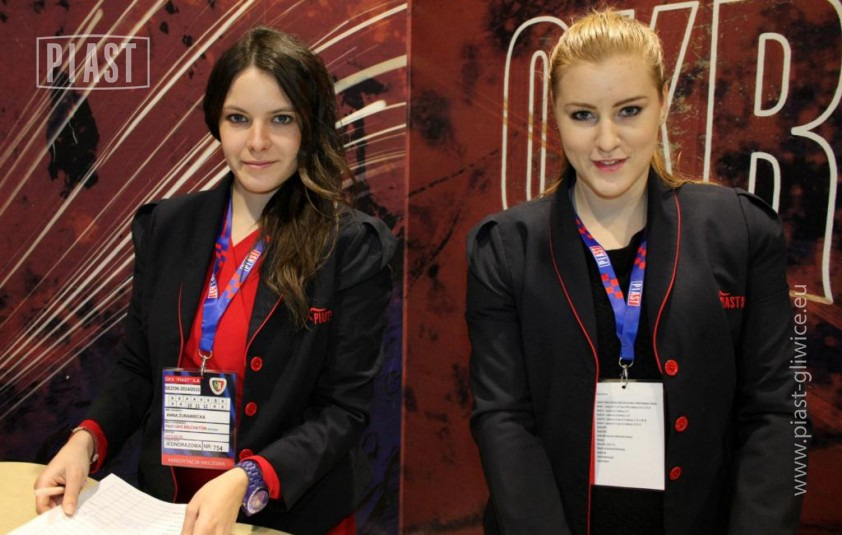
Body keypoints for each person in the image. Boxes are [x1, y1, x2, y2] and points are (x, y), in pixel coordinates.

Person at [35, 27, 396, 535]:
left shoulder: (350, 245)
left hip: (288, 517)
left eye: (282, 119)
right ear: (216, 123)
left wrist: (249, 478)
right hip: (168, 511)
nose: (257, 142)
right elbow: (138, 366)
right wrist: (86, 440)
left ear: (309, 126)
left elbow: (343, 410)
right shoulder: (167, 227)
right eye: (238, 118)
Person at [466, 10, 803, 535]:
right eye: (583, 115)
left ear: (663, 103)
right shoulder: (505, 249)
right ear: (555, 115)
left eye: (628, 110)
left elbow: (776, 412)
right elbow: (502, 417)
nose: (606, 141)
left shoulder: (741, 232)